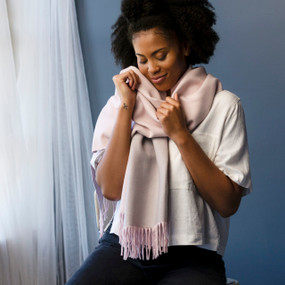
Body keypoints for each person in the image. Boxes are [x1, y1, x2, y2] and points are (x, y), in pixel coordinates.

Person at [67, 0, 252, 284]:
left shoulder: (223, 106)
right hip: (125, 247)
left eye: (160, 55)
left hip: (193, 255)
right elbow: (110, 188)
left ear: (185, 46)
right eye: (142, 59)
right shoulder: (121, 103)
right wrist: (126, 108)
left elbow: (227, 203)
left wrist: (180, 134)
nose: (151, 68)